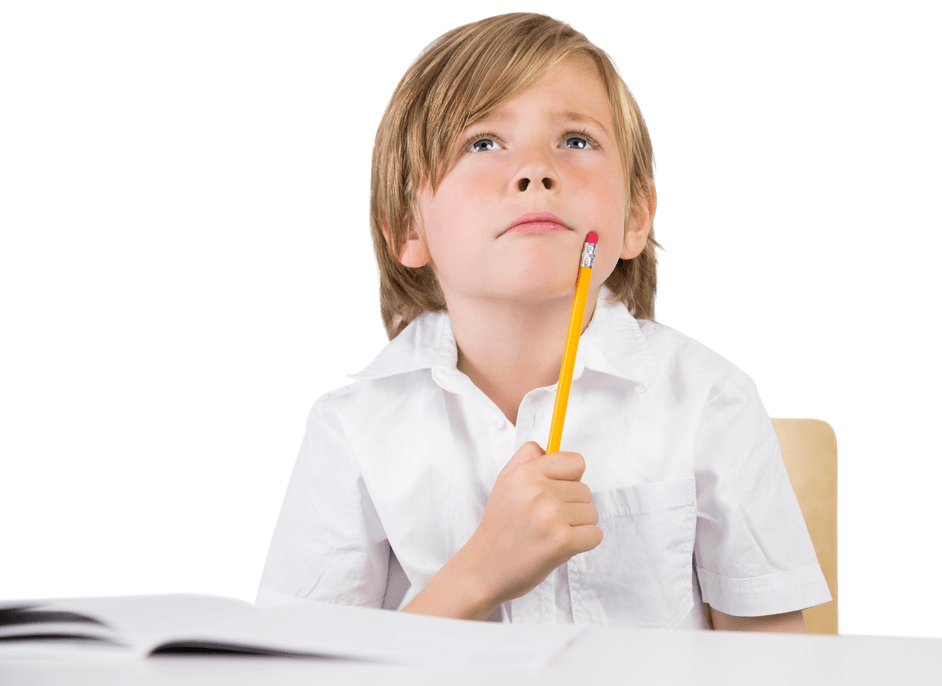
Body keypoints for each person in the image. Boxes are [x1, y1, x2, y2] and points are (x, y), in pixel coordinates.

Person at [255, 12, 831, 632]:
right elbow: (299, 668)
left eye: (576, 141)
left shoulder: (713, 400)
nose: (535, 171)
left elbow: (772, 664)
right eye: (482, 143)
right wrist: (481, 571)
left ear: (635, 217)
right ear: (408, 227)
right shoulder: (352, 428)